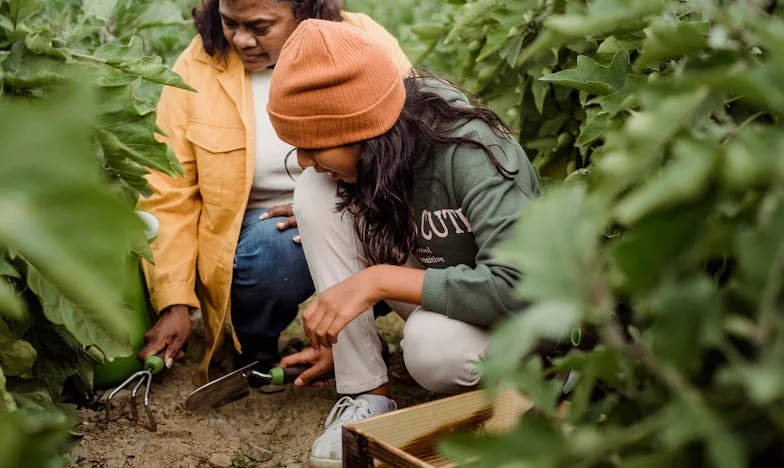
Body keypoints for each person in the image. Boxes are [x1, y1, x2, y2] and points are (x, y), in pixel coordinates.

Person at [267, 20, 542, 467]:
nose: (303, 160)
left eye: (314, 146)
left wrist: (379, 280)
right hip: (451, 298)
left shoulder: (471, 151)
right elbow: (329, 190)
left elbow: (520, 289)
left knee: (431, 348)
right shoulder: (375, 159)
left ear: (366, 129)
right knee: (312, 195)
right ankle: (365, 393)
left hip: (522, 317)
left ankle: (537, 382)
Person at [137, 0, 410, 386]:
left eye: (260, 27)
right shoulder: (198, 67)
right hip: (266, 226)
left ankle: (353, 340)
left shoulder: (362, 41)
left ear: (306, 11)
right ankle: (254, 345)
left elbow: (408, 144)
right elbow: (168, 190)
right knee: (268, 253)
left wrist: (336, 205)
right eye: (229, 23)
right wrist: (174, 302)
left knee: (378, 238)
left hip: (359, 207)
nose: (242, 39)